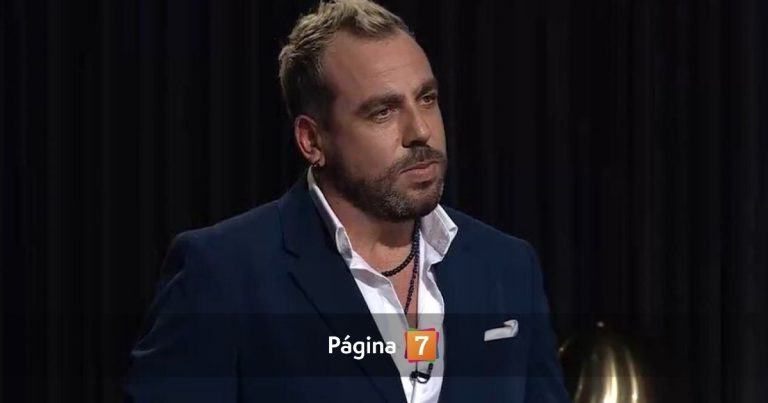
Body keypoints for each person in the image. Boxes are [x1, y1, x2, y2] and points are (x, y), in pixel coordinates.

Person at [124, 1, 569, 402]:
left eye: (426, 98)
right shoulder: (223, 274)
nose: (421, 131)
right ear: (312, 140)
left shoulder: (507, 266)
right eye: (383, 111)